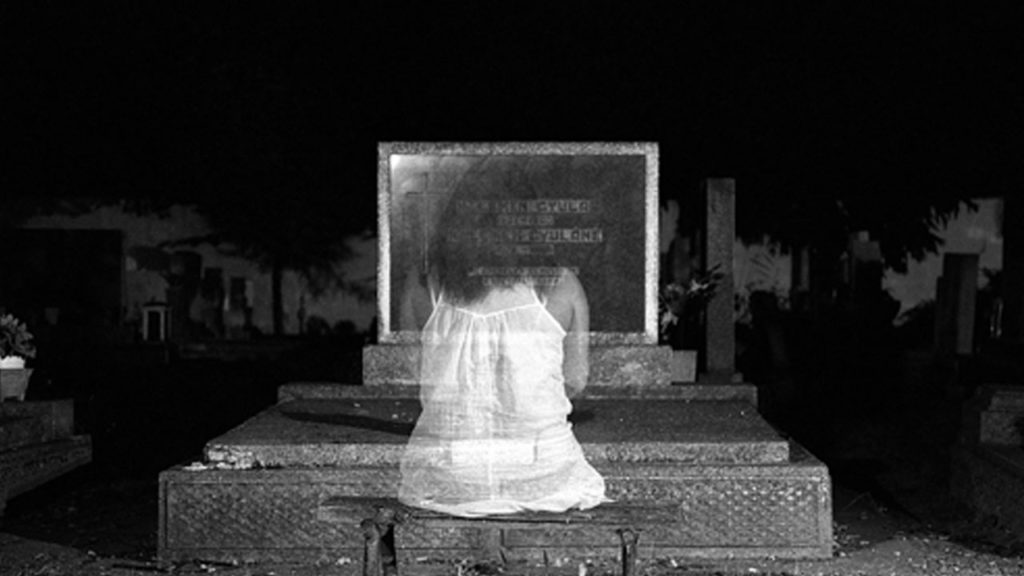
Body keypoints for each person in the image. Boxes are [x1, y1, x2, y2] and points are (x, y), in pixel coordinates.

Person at [397, 158, 608, 517]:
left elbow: (414, 370)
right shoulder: (561, 285)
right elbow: (576, 379)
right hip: (543, 471)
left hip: (450, 474)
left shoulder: (424, 283)